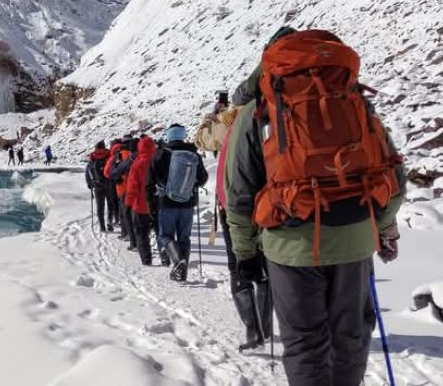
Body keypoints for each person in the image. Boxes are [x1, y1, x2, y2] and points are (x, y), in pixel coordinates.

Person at [226, 29, 405, 386]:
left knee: (306, 343)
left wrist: (245, 253)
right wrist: (384, 229)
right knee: (350, 337)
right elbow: (391, 171)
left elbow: (239, 192)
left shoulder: (257, 111)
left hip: (290, 245)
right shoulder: (353, 99)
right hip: (354, 236)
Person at [216, 105, 271, 350]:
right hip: (265, 208)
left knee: (239, 266)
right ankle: (266, 328)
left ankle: (253, 330)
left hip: (232, 209)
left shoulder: (228, 133)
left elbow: (203, 139)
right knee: (264, 267)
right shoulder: (263, 128)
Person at [148, 124, 208, 281]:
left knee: (164, 235)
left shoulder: (161, 154)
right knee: (184, 238)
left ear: (169, 136)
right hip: (188, 203)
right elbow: (203, 178)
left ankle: (177, 261)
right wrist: (191, 187)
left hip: (166, 202)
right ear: (183, 135)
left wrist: (151, 202)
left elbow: (150, 179)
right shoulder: (193, 154)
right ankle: (183, 273)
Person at [125, 135, 157, 265]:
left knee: (141, 233)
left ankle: (146, 258)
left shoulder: (137, 163)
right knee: (160, 232)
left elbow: (132, 186)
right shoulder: (157, 160)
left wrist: (128, 203)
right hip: (157, 203)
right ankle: (165, 256)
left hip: (140, 205)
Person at [110, 135, 137, 251]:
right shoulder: (136, 155)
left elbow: (111, 173)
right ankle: (138, 240)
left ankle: (132, 241)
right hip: (136, 189)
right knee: (135, 216)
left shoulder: (118, 155)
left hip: (123, 189)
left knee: (127, 216)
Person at [85, 141, 113, 233]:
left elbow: (87, 172)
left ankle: (102, 226)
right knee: (110, 204)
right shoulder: (109, 155)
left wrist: (90, 185)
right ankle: (110, 222)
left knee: (100, 207)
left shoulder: (92, 157)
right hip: (108, 184)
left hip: (97, 186)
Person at [103, 139, 123, 233]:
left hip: (111, 183)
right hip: (123, 183)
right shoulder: (126, 154)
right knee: (122, 203)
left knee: (111, 203)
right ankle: (121, 221)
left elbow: (106, 173)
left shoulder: (112, 157)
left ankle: (110, 221)